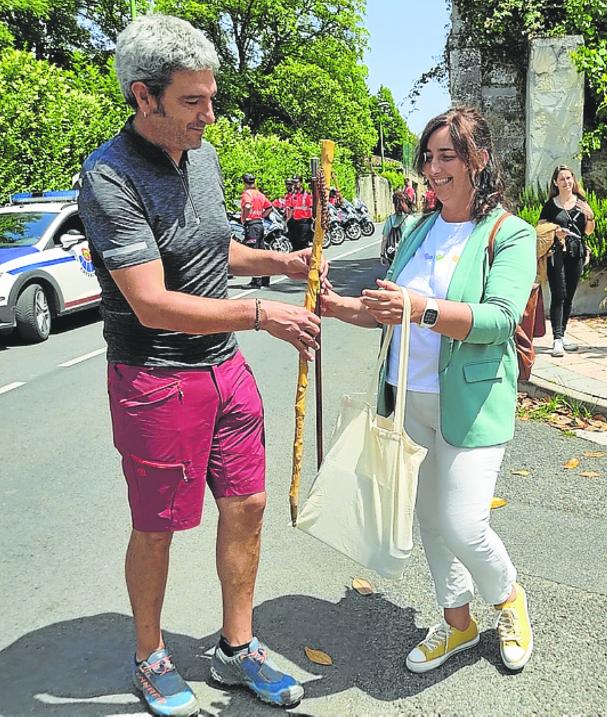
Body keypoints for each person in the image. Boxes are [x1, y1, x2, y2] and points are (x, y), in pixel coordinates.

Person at [78, 15, 326, 715]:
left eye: (211, 98)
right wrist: (260, 313)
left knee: (246, 506)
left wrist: (279, 261)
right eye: (192, 101)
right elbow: (152, 300)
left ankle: (235, 648)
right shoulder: (108, 176)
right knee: (156, 524)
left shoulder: (205, 156)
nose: (209, 115)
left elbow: (211, 248)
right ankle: (151, 656)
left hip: (225, 369)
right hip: (156, 378)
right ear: (143, 97)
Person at [322, 106, 536, 675]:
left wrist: (420, 307)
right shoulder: (418, 227)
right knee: (430, 520)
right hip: (405, 397)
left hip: (470, 401)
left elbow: (497, 319)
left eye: (448, 156)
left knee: (464, 522)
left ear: (479, 161)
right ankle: (457, 623)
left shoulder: (508, 234)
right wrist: (341, 306)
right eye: (429, 157)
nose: (433, 169)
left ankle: (508, 597)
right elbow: (392, 313)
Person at [539, 164, 595, 357]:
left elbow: (588, 231)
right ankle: (556, 339)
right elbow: (540, 229)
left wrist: (590, 215)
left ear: (573, 180)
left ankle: (562, 335)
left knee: (569, 295)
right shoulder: (550, 205)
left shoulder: (581, 202)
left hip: (576, 252)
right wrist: (556, 231)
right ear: (556, 182)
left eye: (569, 178)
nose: (566, 182)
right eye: (562, 179)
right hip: (557, 252)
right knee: (559, 294)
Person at [240, 173, 272, 289]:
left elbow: (247, 206)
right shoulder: (260, 194)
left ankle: (256, 281)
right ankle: (264, 279)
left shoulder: (247, 194)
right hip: (259, 224)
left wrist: (244, 217)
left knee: (253, 254)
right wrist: (262, 216)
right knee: (261, 252)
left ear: (244, 183)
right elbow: (269, 207)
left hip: (251, 225)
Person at [380, 190, 418, 266]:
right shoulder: (412, 220)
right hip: (407, 254)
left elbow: (385, 239)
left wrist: (382, 254)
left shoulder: (390, 219)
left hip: (393, 254)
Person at [286, 176, 313, 251]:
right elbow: (291, 208)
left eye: (296, 182)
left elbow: (311, 207)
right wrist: (288, 219)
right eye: (294, 183)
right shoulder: (293, 195)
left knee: (303, 242)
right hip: (295, 221)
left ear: (301, 183)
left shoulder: (307, 194)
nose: (295, 184)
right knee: (295, 242)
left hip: (304, 221)